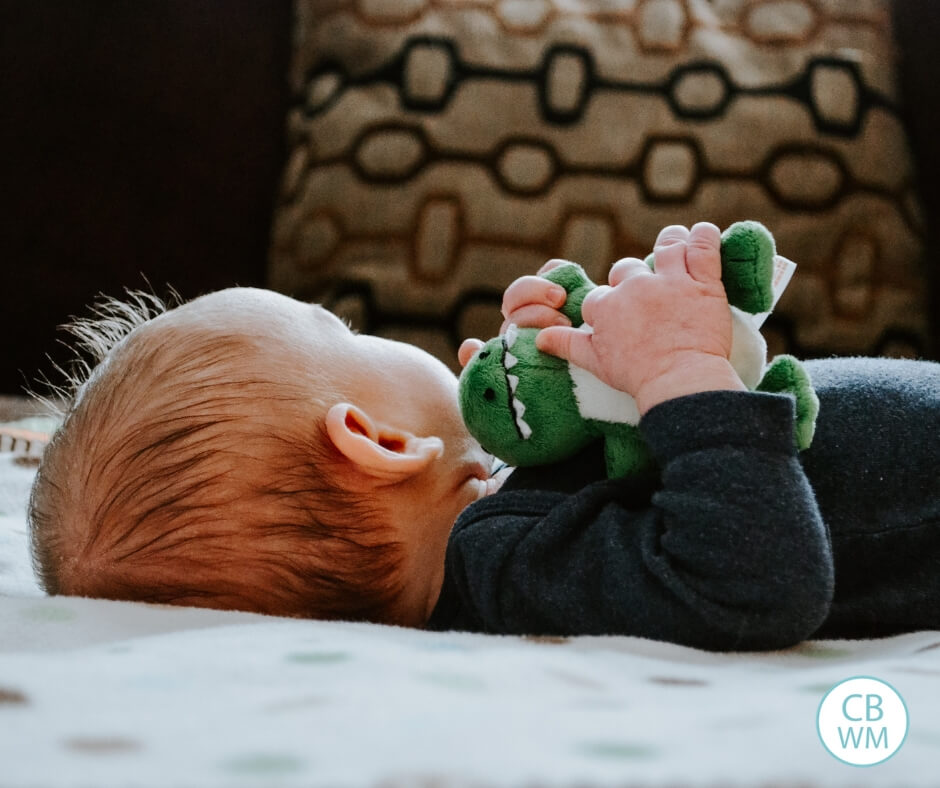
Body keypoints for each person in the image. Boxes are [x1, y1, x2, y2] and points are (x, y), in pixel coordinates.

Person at [28, 223, 940, 651]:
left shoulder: (509, 523)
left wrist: (594, 372)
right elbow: (759, 582)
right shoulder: (514, 571)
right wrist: (677, 377)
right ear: (374, 440)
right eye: (338, 332)